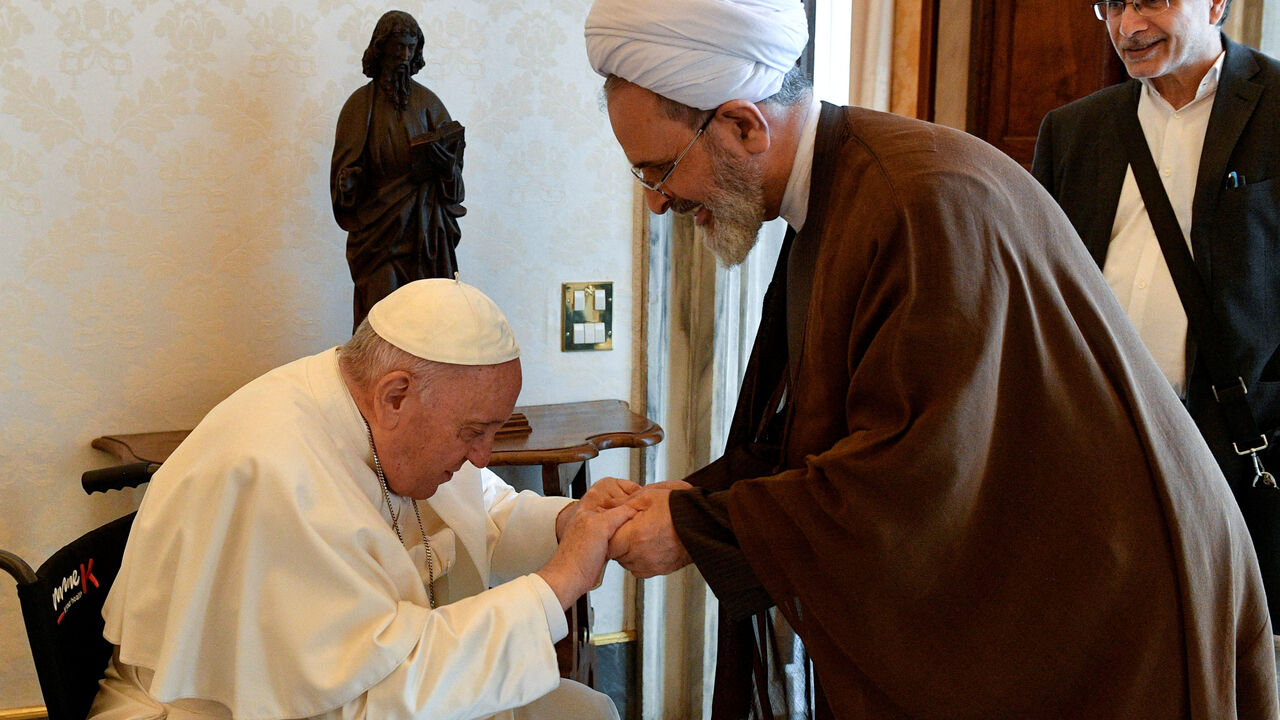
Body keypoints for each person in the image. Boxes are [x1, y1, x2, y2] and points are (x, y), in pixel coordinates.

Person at [583, 0, 1277, 717]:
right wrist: (690, 501)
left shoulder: (916, 203)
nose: (659, 204)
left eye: (657, 171)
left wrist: (702, 527)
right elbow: (813, 434)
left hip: (1111, 606)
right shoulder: (831, 192)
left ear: (742, 125)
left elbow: (918, 479)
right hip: (1056, 585)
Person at [88, 278, 635, 720]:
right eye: (473, 432)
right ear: (396, 394)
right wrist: (563, 580)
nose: (482, 456)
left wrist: (569, 520)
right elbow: (370, 696)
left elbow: (479, 511)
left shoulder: (367, 407)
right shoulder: (275, 475)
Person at [1032, 0, 1280, 629]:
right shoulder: (1073, 130)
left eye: (1149, 1)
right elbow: (1038, 295)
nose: (1127, 27)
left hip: (1236, 450)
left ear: (1217, 3)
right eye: (1111, 5)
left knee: (1223, 652)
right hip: (1098, 445)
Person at [332, 10, 467, 332]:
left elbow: (454, 176)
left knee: (425, 321)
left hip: (425, 228)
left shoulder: (428, 104)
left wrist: (445, 164)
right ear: (381, 48)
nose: (404, 56)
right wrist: (348, 184)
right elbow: (344, 172)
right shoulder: (359, 106)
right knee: (381, 319)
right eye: (397, 47)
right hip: (378, 231)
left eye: (410, 48)